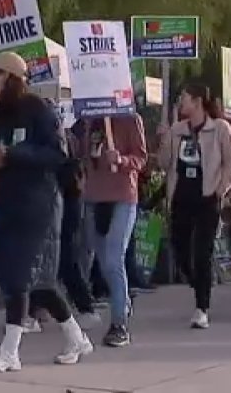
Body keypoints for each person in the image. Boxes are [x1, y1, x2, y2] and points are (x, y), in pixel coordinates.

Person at [0, 52, 92, 372]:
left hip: (38, 205)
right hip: (8, 204)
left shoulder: (38, 110)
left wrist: (13, 154)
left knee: (19, 278)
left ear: (10, 77)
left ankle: (10, 350)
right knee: (41, 282)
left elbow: (56, 153)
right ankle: (76, 338)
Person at [157, 82, 231, 330]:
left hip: (207, 198)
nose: (181, 103)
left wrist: (219, 190)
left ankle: (202, 307)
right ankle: (197, 282)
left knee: (202, 253)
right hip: (181, 196)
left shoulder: (219, 128)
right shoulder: (177, 129)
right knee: (180, 249)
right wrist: (163, 141)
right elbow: (164, 163)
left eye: (184, 98)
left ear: (197, 101)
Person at [77, 113, 147, 347]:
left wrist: (122, 160)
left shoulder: (129, 119)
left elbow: (141, 158)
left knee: (112, 260)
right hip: (94, 197)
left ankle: (119, 324)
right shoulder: (90, 120)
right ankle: (123, 300)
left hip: (122, 196)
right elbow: (86, 157)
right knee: (100, 258)